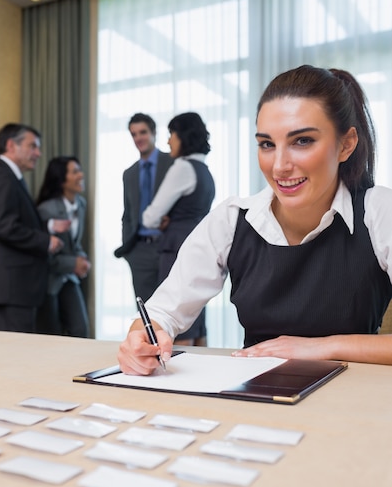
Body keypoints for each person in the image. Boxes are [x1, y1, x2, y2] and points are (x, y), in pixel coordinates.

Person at [118, 64, 392, 374]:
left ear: (346, 144)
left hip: (351, 401)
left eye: (302, 141)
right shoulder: (232, 219)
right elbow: (162, 312)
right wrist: (141, 337)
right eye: (267, 144)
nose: (279, 166)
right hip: (255, 397)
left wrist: (319, 347)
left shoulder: (379, 210)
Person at [0, 123, 66, 333]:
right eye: (32, 146)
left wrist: (49, 226)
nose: (38, 153)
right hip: (9, 286)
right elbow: (4, 225)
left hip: (12, 285)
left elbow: (14, 220)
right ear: (10, 145)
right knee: (14, 354)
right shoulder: (1, 177)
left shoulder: (8, 176)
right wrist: (46, 241)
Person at [142, 112, 215, 346]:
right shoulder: (205, 171)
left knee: (177, 315)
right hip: (199, 246)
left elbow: (150, 217)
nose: (168, 141)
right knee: (196, 317)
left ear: (182, 136)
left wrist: (164, 219)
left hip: (176, 248)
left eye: (171, 134)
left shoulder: (182, 168)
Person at [114, 113, 174, 302]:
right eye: (134, 134)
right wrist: (130, 252)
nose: (138, 138)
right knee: (146, 312)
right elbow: (128, 214)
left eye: (143, 132)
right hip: (139, 251)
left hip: (168, 246)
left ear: (154, 133)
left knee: (172, 308)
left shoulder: (172, 163)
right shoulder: (129, 174)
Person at [36, 156, 91, 337]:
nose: (81, 175)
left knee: (80, 330)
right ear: (61, 179)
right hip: (48, 280)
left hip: (69, 277)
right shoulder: (46, 210)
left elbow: (73, 244)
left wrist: (82, 260)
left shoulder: (81, 204)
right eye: (75, 171)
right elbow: (43, 253)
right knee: (51, 334)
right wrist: (73, 263)